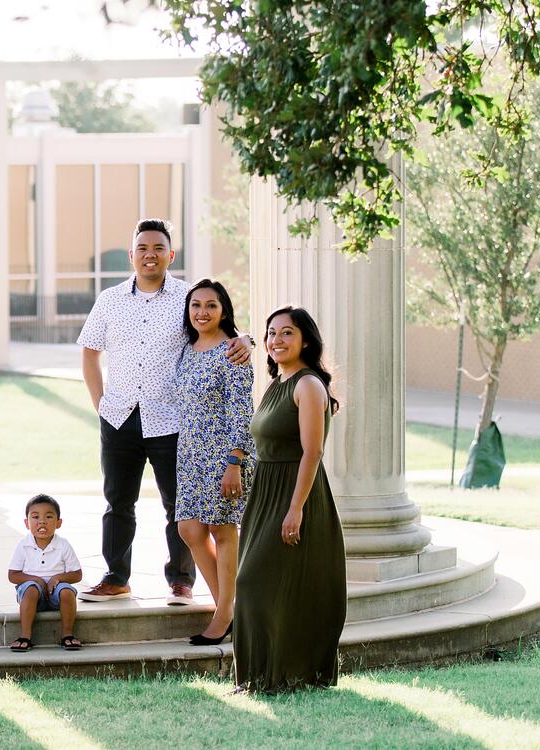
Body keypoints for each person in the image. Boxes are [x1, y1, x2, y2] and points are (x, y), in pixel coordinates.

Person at [77, 218, 251, 605]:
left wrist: (247, 339)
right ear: (131, 255)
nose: (149, 255)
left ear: (171, 255)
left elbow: (218, 327)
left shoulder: (188, 298)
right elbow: (89, 352)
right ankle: (116, 576)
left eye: (158, 248)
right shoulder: (109, 300)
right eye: (142, 248)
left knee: (178, 503)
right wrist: (100, 404)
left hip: (171, 419)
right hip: (119, 416)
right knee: (118, 502)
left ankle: (181, 580)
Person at [233, 306, 346, 693]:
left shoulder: (308, 385)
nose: (276, 340)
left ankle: (280, 673)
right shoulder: (277, 382)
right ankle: (261, 677)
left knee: (253, 583)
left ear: (306, 340)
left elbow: (312, 452)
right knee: (259, 584)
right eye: (271, 333)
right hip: (264, 491)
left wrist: (295, 508)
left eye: (287, 333)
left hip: (295, 491)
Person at [173, 280, 255, 645]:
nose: (202, 312)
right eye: (196, 305)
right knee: (189, 529)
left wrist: (234, 461)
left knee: (223, 530)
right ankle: (230, 606)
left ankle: (222, 616)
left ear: (224, 310)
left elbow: (242, 412)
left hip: (223, 455)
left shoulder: (233, 353)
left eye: (211, 305)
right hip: (190, 453)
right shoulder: (188, 350)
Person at [6, 494, 84, 652]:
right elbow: (13, 575)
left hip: (56, 595)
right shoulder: (23, 545)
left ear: (59, 523)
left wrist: (57, 578)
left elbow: (77, 574)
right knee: (31, 589)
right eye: (35, 517)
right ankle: (25, 637)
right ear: (27, 523)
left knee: (67, 591)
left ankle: (67, 635)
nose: (42, 521)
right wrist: (37, 580)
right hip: (33, 595)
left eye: (49, 516)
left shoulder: (63, 545)